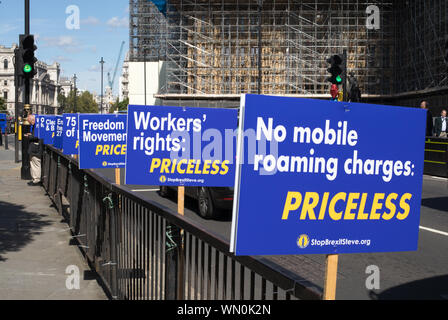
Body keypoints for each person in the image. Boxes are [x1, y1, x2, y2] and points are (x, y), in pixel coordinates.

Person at [26, 114, 42, 186]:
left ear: (33, 119)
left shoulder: (37, 126)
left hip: (36, 149)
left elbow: (37, 136)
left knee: (35, 164)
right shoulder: (36, 125)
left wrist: (29, 136)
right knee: (33, 164)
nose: (30, 123)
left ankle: (36, 180)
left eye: (30, 122)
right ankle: (34, 179)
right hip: (34, 149)